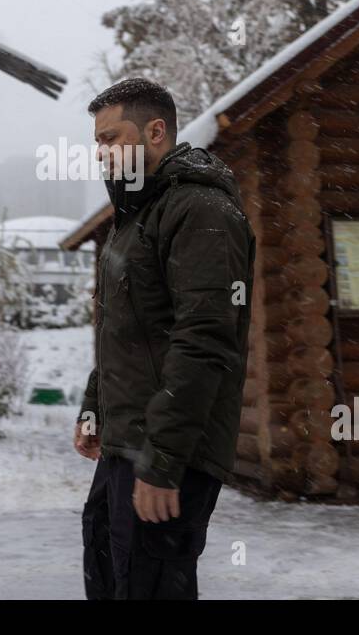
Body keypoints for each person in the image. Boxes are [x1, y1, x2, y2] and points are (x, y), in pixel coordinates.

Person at [73, 77, 255, 599]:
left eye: (111, 138)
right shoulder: (133, 219)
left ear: (156, 131)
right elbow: (126, 331)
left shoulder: (201, 212)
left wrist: (163, 459)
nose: (101, 152)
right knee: (109, 577)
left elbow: (204, 340)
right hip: (125, 445)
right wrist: (96, 409)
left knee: (151, 586)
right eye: (97, 142)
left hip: (169, 451)